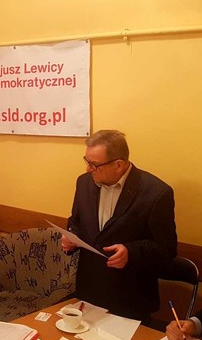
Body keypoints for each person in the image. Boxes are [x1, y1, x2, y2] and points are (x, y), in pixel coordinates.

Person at [62, 129, 177, 321]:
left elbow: (167, 248)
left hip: (130, 297)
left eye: (94, 164)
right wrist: (71, 237)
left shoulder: (156, 192)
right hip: (89, 289)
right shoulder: (84, 182)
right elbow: (76, 221)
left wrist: (131, 252)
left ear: (118, 164)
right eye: (86, 161)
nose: (88, 169)